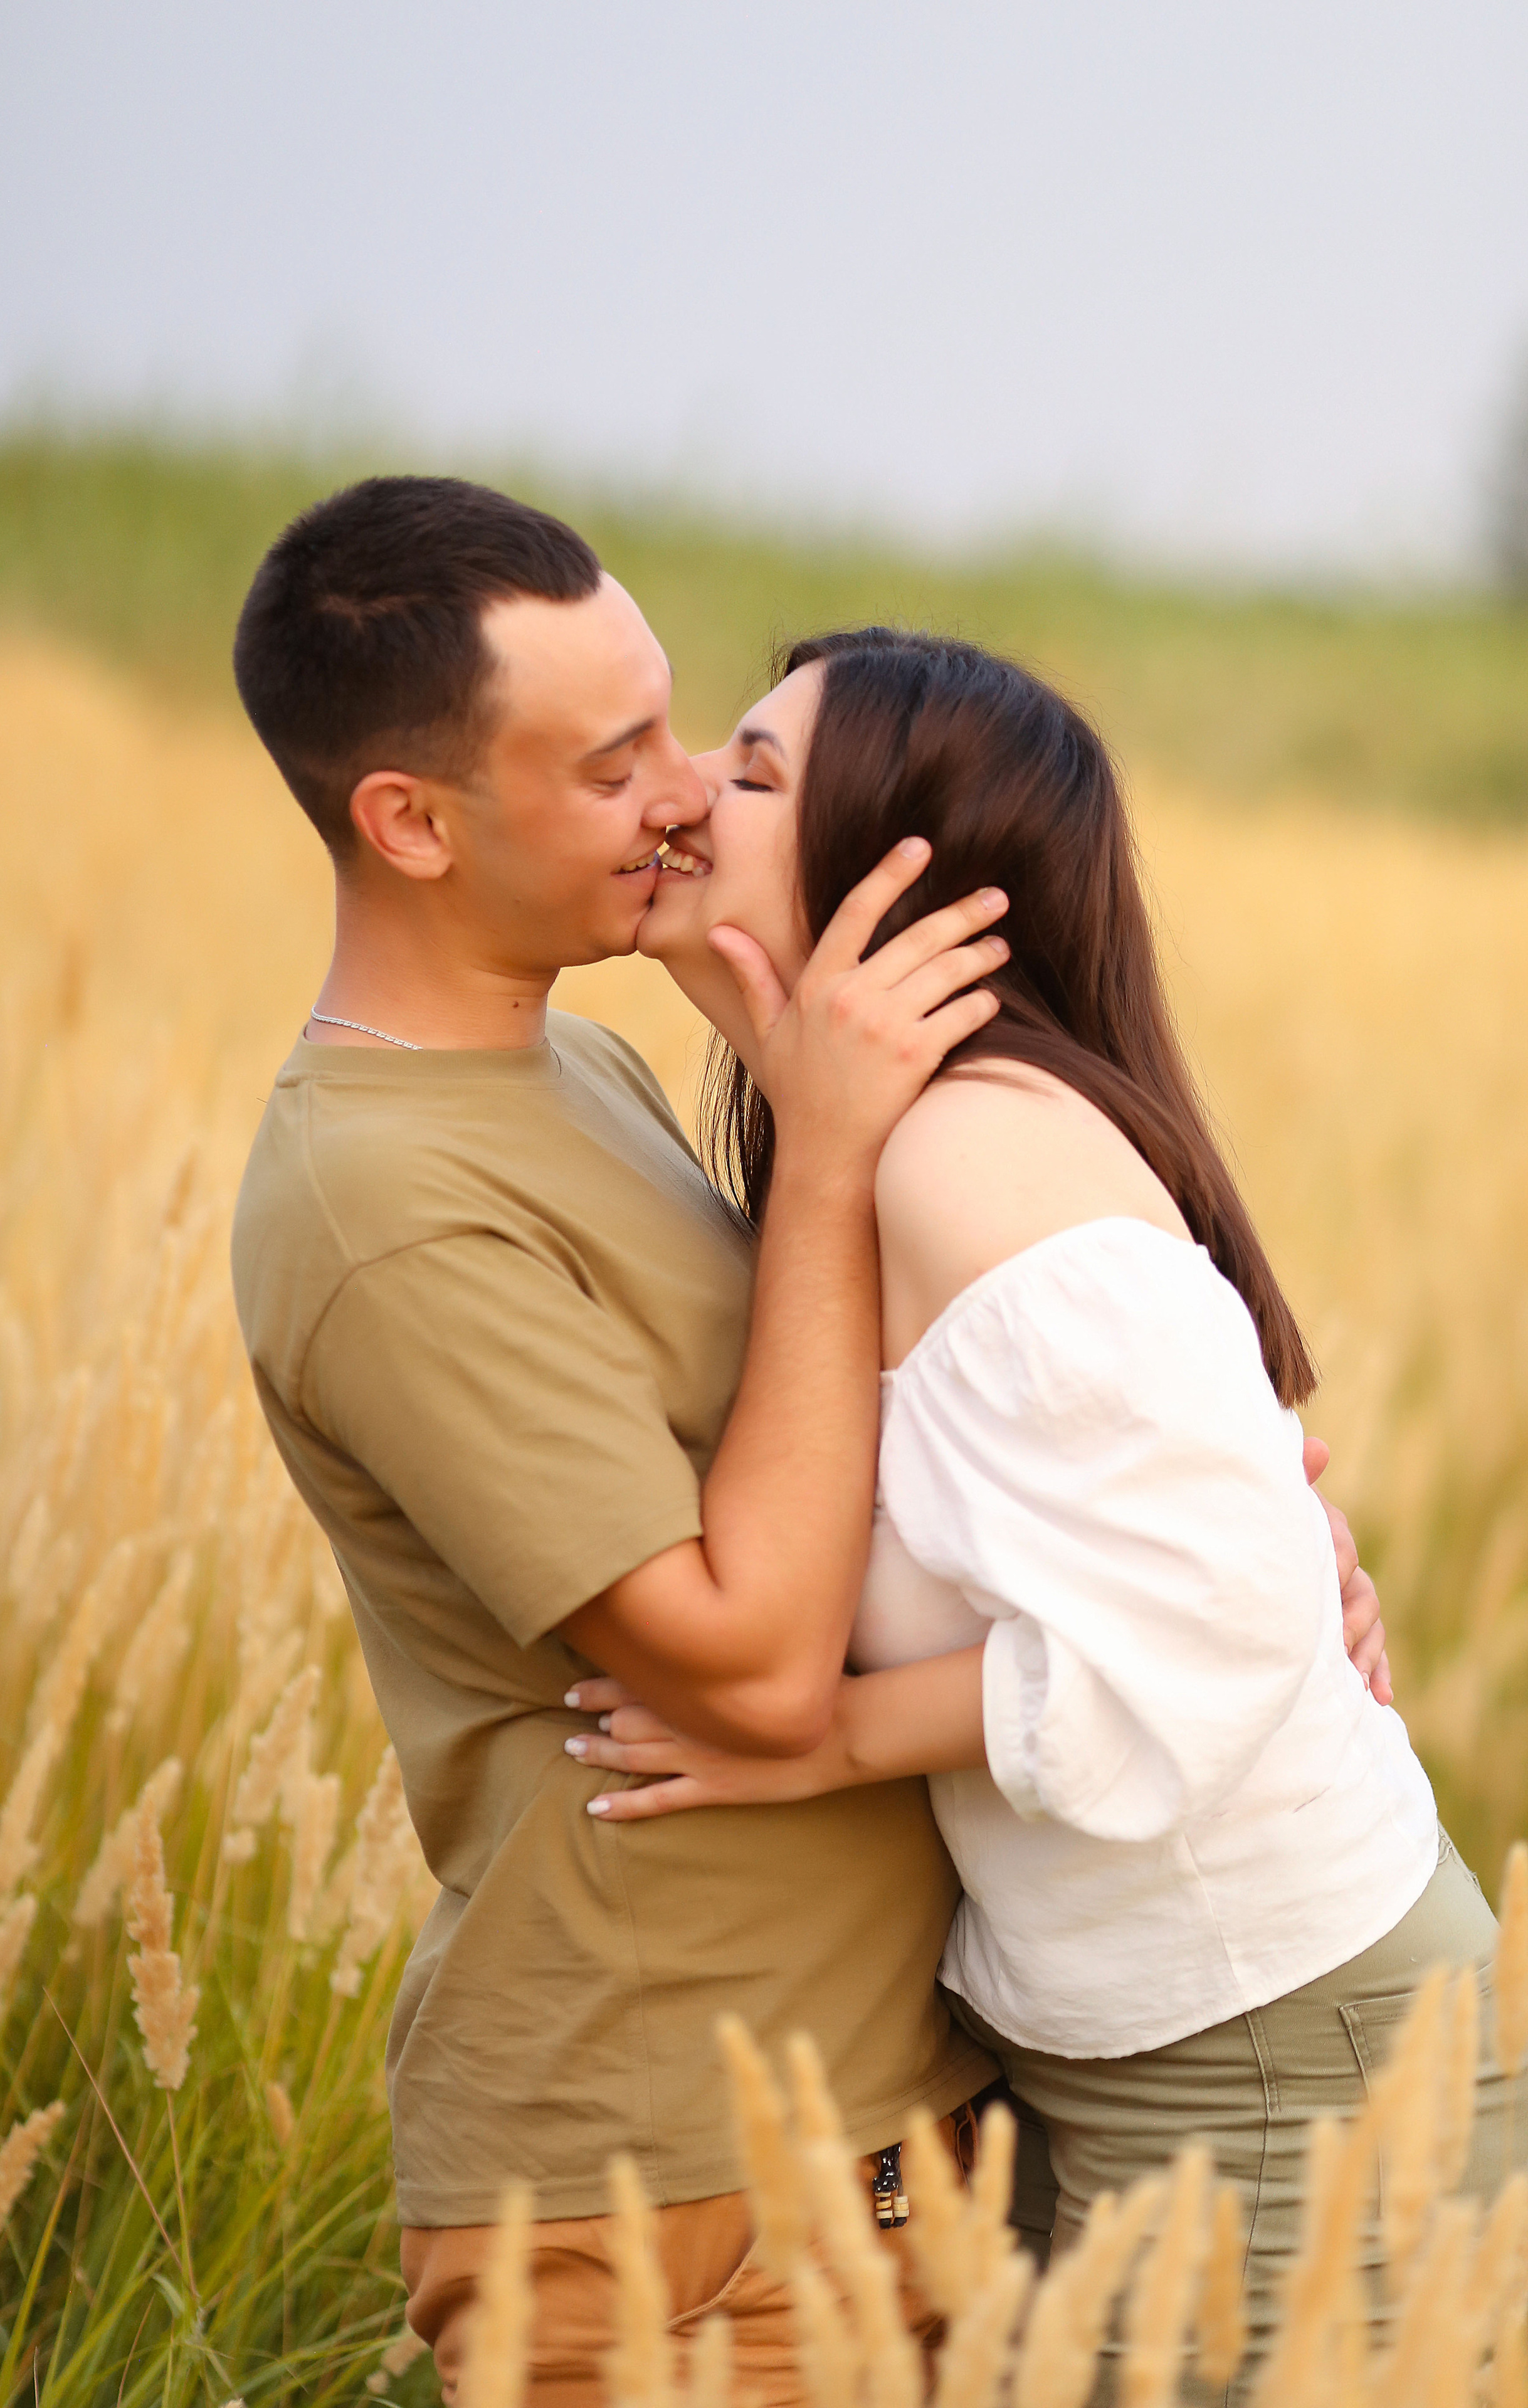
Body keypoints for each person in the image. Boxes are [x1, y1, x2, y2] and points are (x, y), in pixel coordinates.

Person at [566, 628, 1515, 2387]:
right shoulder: (856, 1153)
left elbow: (1211, 1622)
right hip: (1160, 2050)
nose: (688, 786)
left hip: (1288, 2059)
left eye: (756, 771)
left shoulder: (961, 1155)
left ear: (901, 880)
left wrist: (815, 1736)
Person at [228, 478, 1018, 2408]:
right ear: (408, 823)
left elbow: (837, 1445)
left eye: (675, 724)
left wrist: (1205, 1549)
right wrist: (825, 1154)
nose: (685, 793)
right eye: (610, 767)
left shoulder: (571, 1052)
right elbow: (749, 1664)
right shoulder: (383, 1209)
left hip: (903, 2125)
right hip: (671, 2210)